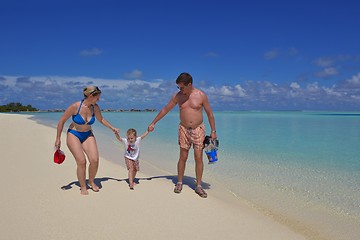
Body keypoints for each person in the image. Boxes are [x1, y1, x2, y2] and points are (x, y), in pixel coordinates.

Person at [148, 72, 217, 198]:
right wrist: (153, 123)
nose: (180, 90)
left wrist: (213, 131)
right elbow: (165, 109)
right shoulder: (178, 96)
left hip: (198, 129)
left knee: (198, 157)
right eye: (179, 87)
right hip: (184, 129)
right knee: (183, 157)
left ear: (189, 84)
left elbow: (209, 113)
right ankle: (179, 183)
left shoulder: (201, 95)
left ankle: (199, 186)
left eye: (182, 87)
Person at [55, 86, 119, 195]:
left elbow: (101, 119)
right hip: (74, 134)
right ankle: (83, 187)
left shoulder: (95, 107)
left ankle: (91, 181)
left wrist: (112, 128)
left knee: (94, 160)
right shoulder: (75, 106)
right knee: (81, 161)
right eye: (97, 97)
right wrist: (58, 139)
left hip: (88, 134)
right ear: (90, 96)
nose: (98, 100)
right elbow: (62, 121)